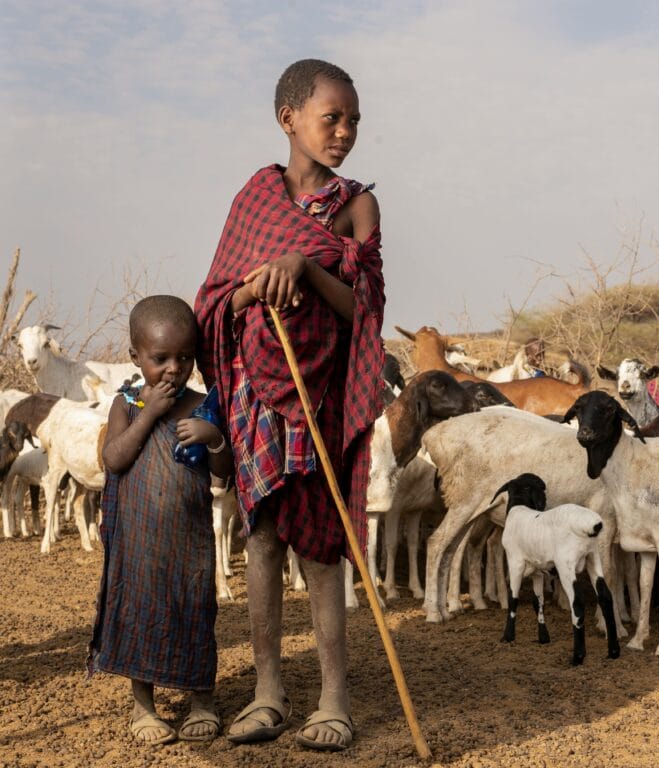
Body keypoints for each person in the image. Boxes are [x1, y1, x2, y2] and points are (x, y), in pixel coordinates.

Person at [194, 58, 385, 752]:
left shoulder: (354, 205)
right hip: (254, 393)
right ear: (289, 120)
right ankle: (268, 691)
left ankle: (334, 698)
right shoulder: (253, 199)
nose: (344, 132)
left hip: (320, 395)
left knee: (323, 546)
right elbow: (213, 300)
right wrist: (256, 287)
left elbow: (363, 306)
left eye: (353, 121)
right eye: (332, 118)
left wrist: (306, 267)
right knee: (263, 539)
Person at [89, 295, 232, 744]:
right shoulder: (127, 403)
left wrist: (214, 440)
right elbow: (113, 459)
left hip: (189, 543)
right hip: (138, 544)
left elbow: (223, 474)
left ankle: (202, 701)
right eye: (161, 358)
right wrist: (149, 413)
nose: (174, 368)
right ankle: (143, 708)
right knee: (139, 615)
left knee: (195, 613)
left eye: (185, 357)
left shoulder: (201, 406)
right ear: (135, 356)